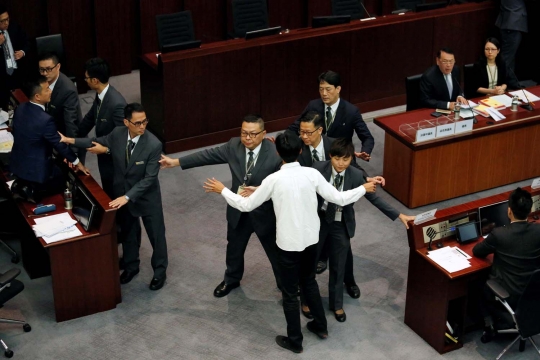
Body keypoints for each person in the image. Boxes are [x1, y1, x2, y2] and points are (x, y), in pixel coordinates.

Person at [203, 130, 377, 353]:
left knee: (290, 293)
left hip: (288, 245)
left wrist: (223, 190)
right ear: (301, 151)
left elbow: (245, 205)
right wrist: (364, 187)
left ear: (278, 152)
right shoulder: (312, 175)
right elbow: (339, 198)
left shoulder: (273, 180)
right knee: (310, 282)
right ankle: (321, 326)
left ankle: (295, 340)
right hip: (312, 240)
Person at [296, 112, 414, 319]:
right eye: (336, 159)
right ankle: (306, 301)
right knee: (311, 264)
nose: (340, 164)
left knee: (338, 267)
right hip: (318, 221)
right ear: (330, 156)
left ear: (352, 159)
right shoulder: (317, 169)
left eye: (345, 159)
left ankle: (336, 305)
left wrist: (399, 215)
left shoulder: (356, 175)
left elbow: (375, 199)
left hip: (341, 224)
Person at [159, 115, 283, 297]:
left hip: (264, 212)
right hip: (238, 210)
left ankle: (285, 284)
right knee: (234, 248)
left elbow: (284, 183)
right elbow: (207, 155)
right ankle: (231, 279)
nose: (247, 138)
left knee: (275, 252)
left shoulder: (275, 152)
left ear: (264, 134)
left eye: (253, 134)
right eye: (244, 133)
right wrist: (176, 162)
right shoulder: (233, 145)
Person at [59, 103, 168, 291]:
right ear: (126, 122)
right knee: (128, 232)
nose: (143, 126)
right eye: (138, 123)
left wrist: (127, 197)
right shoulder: (117, 134)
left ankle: (160, 272)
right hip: (122, 194)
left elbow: (149, 179)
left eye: (145, 122)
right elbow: (94, 141)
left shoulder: (153, 144)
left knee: (156, 237)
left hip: (146, 199)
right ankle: (131, 265)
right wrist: (70, 140)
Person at [473, 187, 540, 342]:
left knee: (479, 284)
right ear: (530, 210)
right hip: (534, 293)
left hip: (509, 295)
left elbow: (477, 251)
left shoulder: (499, 234)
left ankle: (489, 327)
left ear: (509, 211)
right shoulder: (538, 231)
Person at [9, 76, 88, 199]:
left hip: (18, 165)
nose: (50, 91)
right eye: (46, 89)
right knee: (63, 176)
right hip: (37, 173)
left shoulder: (21, 108)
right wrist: (78, 162)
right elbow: (59, 144)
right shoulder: (45, 120)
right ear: (37, 96)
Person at [288, 70, 374, 162]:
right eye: (321, 89)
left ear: (338, 89)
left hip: (340, 156)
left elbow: (367, 137)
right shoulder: (313, 106)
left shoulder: (351, 111)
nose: (324, 93)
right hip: (314, 155)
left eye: (328, 89)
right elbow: (294, 128)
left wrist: (365, 151)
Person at [78, 57, 127, 198]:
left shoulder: (117, 104)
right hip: (104, 158)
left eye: (86, 78)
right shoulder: (101, 95)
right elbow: (89, 119)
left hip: (114, 162)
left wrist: (106, 149)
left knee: (116, 197)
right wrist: (72, 139)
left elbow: (123, 138)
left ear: (95, 80)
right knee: (108, 193)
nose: (85, 80)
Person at [38, 52, 82, 158]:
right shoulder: (42, 80)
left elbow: (71, 121)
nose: (44, 73)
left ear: (58, 66)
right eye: (41, 69)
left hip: (67, 135)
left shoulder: (68, 90)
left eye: (48, 69)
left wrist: (73, 151)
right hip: (52, 132)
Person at [0, 5, 29, 110]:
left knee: (21, 102)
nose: (6, 23)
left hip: (17, 72)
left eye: (7, 19)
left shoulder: (14, 27)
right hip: (2, 76)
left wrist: (22, 52)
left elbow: (26, 42)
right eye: (2, 21)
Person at [496, 0, 527, 73]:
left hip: (509, 22)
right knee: (507, 59)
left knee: (510, 58)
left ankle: (511, 83)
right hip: (512, 24)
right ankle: (496, 82)